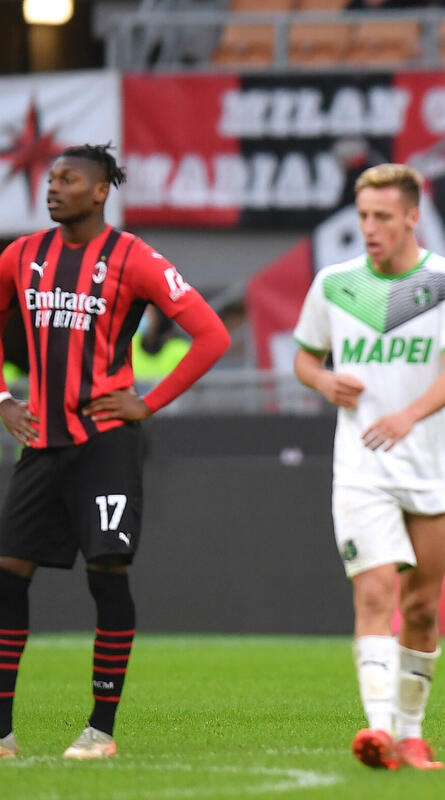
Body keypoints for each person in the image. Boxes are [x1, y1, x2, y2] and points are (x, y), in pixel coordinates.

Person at [0, 144, 230, 760]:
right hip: (40, 443)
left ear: (101, 192)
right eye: (50, 178)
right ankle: (1, 734)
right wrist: (3, 400)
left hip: (105, 444)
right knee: (7, 574)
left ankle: (100, 730)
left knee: (106, 574)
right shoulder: (21, 255)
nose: (53, 188)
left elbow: (212, 335)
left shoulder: (135, 258)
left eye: (69, 179)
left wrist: (148, 404)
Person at [293, 163, 445, 771]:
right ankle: (378, 732)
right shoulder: (334, 284)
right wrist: (324, 381)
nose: (370, 228)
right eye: (363, 217)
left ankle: (411, 732)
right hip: (361, 466)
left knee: (422, 607)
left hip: (431, 465)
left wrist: (408, 415)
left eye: (382, 217)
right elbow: (305, 357)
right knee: (375, 593)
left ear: (411, 217)